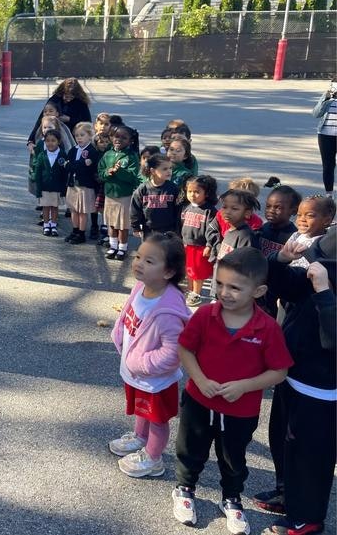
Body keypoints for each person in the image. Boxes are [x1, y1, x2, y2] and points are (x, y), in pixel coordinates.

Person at [171, 248, 293, 535]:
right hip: (198, 400)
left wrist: (244, 386)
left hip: (240, 410)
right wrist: (199, 378)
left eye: (235, 287)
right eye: (220, 284)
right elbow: (185, 348)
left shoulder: (267, 328)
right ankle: (185, 488)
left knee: (233, 458)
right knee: (190, 449)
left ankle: (232, 498)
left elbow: (280, 371)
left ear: (259, 290)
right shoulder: (204, 315)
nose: (224, 292)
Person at [256, 229, 336, 535]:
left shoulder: (323, 282)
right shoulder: (322, 255)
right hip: (291, 372)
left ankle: (309, 517)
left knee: (311, 455)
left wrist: (325, 293)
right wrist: (280, 261)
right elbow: (283, 288)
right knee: (283, 440)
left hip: (322, 387)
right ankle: (288, 495)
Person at [109, 233, 189, 478]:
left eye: (149, 261)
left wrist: (140, 363)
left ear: (168, 272)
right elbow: (127, 314)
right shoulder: (142, 287)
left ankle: (153, 458)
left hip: (155, 379)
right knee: (141, 410)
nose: (138, 263)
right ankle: (139, 437)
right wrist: (120, 334)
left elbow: (172, 352)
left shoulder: (168, 311)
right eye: (138, 256)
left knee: (157, 419)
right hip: (136, 371)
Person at [98, 124, 141, 260]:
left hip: (124, 195)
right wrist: (107, 172)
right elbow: (100, 172)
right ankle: (113, 246)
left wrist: (119, 171)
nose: (119, 139)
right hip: (110, 194)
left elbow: (132, 176)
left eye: (124, 137)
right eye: (116, 136)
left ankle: (122, 248)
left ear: (130, 141)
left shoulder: (131, 156)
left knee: (122, 224)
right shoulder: (107, 154)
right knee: (111, 222)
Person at [180, 175, 219, 307]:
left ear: (206, 193)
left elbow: (213, 230)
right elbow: (182, 225)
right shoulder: (187, 207)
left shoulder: (210, 211)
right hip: (187, 245)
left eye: (197, 192)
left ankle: (196, 294)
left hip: (200, 247)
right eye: (189, 191)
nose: (193, 195)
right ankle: (190, 290)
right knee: (189, 270)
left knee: (198, 273)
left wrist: (209, 245)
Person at [27, 77, 92, 145]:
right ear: (62, 92)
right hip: (51, 137)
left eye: (71, 97)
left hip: (73, 138)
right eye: (66, 96)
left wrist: (70, 119)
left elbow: (87, 123)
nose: (68, 99)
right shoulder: (55, 99)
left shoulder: (81, 103)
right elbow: (41, 119)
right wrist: (31, 140)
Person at [64, 121, 100, 244]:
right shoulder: (73, 150)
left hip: (85, 186)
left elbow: (89, 167)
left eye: (82, 135)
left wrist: (74, 165)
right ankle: (75, 230)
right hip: (73, 185)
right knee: (74, 210)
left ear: (90, 135)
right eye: (77, 135)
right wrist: (81, 164)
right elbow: (67, 166)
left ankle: (81, 233)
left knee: (82, 211)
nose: (79, 138)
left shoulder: (92, 151)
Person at [130, 154, 179, 240]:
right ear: (153, 171)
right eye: (165, 169)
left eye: (170, 168)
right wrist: (136, 227)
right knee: (150, 252)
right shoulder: (143, 189)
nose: (169, 171)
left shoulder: (173, 188)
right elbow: (135, 209)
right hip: (149, 230)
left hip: (169, 230)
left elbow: (178, 209)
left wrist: (178, 228)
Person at [207, 189, 261, 264]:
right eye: (224, 207)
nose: (227, 212)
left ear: (247, 213)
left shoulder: (245, 237)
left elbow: (246, 266)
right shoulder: (230, 230)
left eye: (234, 208)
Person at [284, 195, 335, 270]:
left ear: (326, 220)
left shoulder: (325, 243)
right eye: (299, 215)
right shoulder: (297, 235)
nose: (302, 219)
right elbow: (284, 254)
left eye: (309, 216)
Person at [33, 129, 68, 237]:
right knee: (46, 206)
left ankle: (53, 224)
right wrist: (38, 189)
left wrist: (64, 188)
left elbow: (64, 173)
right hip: (45, 186)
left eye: (53, 140)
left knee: (54, 206)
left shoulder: (62, 154)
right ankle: (46, 224)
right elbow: (38, 172)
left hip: (56, 187)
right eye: (47, 141)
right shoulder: (42, 155)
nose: (50, 143)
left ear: (58, 141)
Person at [258, 182, 301, 258]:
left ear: (293, 211)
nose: (271, 211)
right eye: (268, 206)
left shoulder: (293, 235)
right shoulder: (264, 227)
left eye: (278, 207)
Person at [312, 79, 337, 199]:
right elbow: (316, 114)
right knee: (328, 165)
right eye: (333, 86)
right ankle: (329, 194)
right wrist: (325, 99)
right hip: (325, 135)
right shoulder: (327, 98)